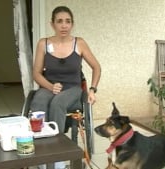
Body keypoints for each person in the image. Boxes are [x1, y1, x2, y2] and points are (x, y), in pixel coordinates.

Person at [30, 6, 101, 169]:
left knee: (58, 103)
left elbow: (97, 67)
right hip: (48, 87)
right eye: (59, 21)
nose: (64, 25)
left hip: (73, 90)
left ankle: (58, 157)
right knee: (38, 103)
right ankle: (41, 154)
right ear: (52, 24)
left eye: (68, 22)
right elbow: (36, 73)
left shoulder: (79, 43)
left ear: (72, 24)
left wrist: (92, 90)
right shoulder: (43, 43)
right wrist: (49, 86)